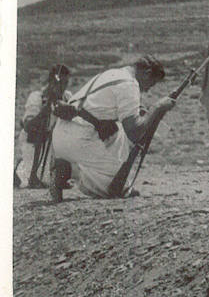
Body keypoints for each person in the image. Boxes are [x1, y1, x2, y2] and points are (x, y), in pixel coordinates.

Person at [50, 55, 176, 202]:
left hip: (62, 135)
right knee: (115, 187)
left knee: (118, 131)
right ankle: (68, 170)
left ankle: (69, 167)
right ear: (147, 73)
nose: (147, 90)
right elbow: (134, 132)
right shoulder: (129, 84)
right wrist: (157, 108)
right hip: (78, 139)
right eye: (151, 84)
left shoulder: (112, 74)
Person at [16, 64, 72, 188]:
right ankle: (24, 170)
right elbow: (28, 126)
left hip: (54, 144)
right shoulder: (37, 97)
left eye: (66, 83)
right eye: (59, 83)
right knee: (38, 180)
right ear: (51, 82)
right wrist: (46, 108)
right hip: (34, 142)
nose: (62, 87)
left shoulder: (67, 97)